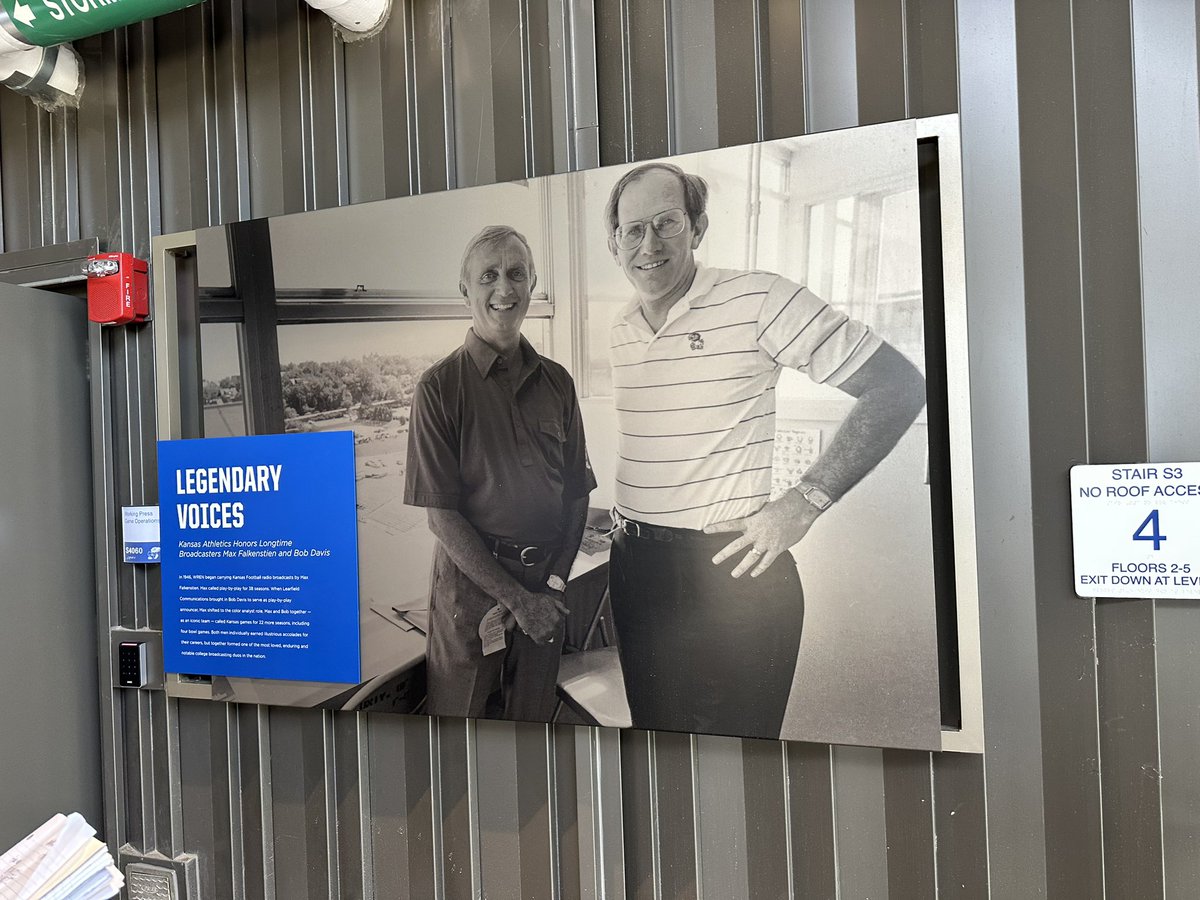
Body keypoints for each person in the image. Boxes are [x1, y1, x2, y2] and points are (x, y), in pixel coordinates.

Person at [603, 162, 927, 739]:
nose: (648, 244)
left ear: (697, 228)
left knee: (733, 759)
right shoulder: (620, 328)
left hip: (728, 574)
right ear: (614, 243)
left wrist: (803, 503)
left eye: (666, 222)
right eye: (632, 230)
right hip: (634, 572)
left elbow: (898, 386)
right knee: (658, 744)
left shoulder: (759, 298)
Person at [404, 225, 595, 721]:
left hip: (544, 586)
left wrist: (553, 583)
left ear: (532, 283)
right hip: (469, 593)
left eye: (516, 274)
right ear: (465, 289)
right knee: (458, 725)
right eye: (489, 275)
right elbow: (441, 518)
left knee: (530, 722)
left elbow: (576, 493)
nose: (504, 289)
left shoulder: (558, 382)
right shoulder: (438, 388)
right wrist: (516, 599)